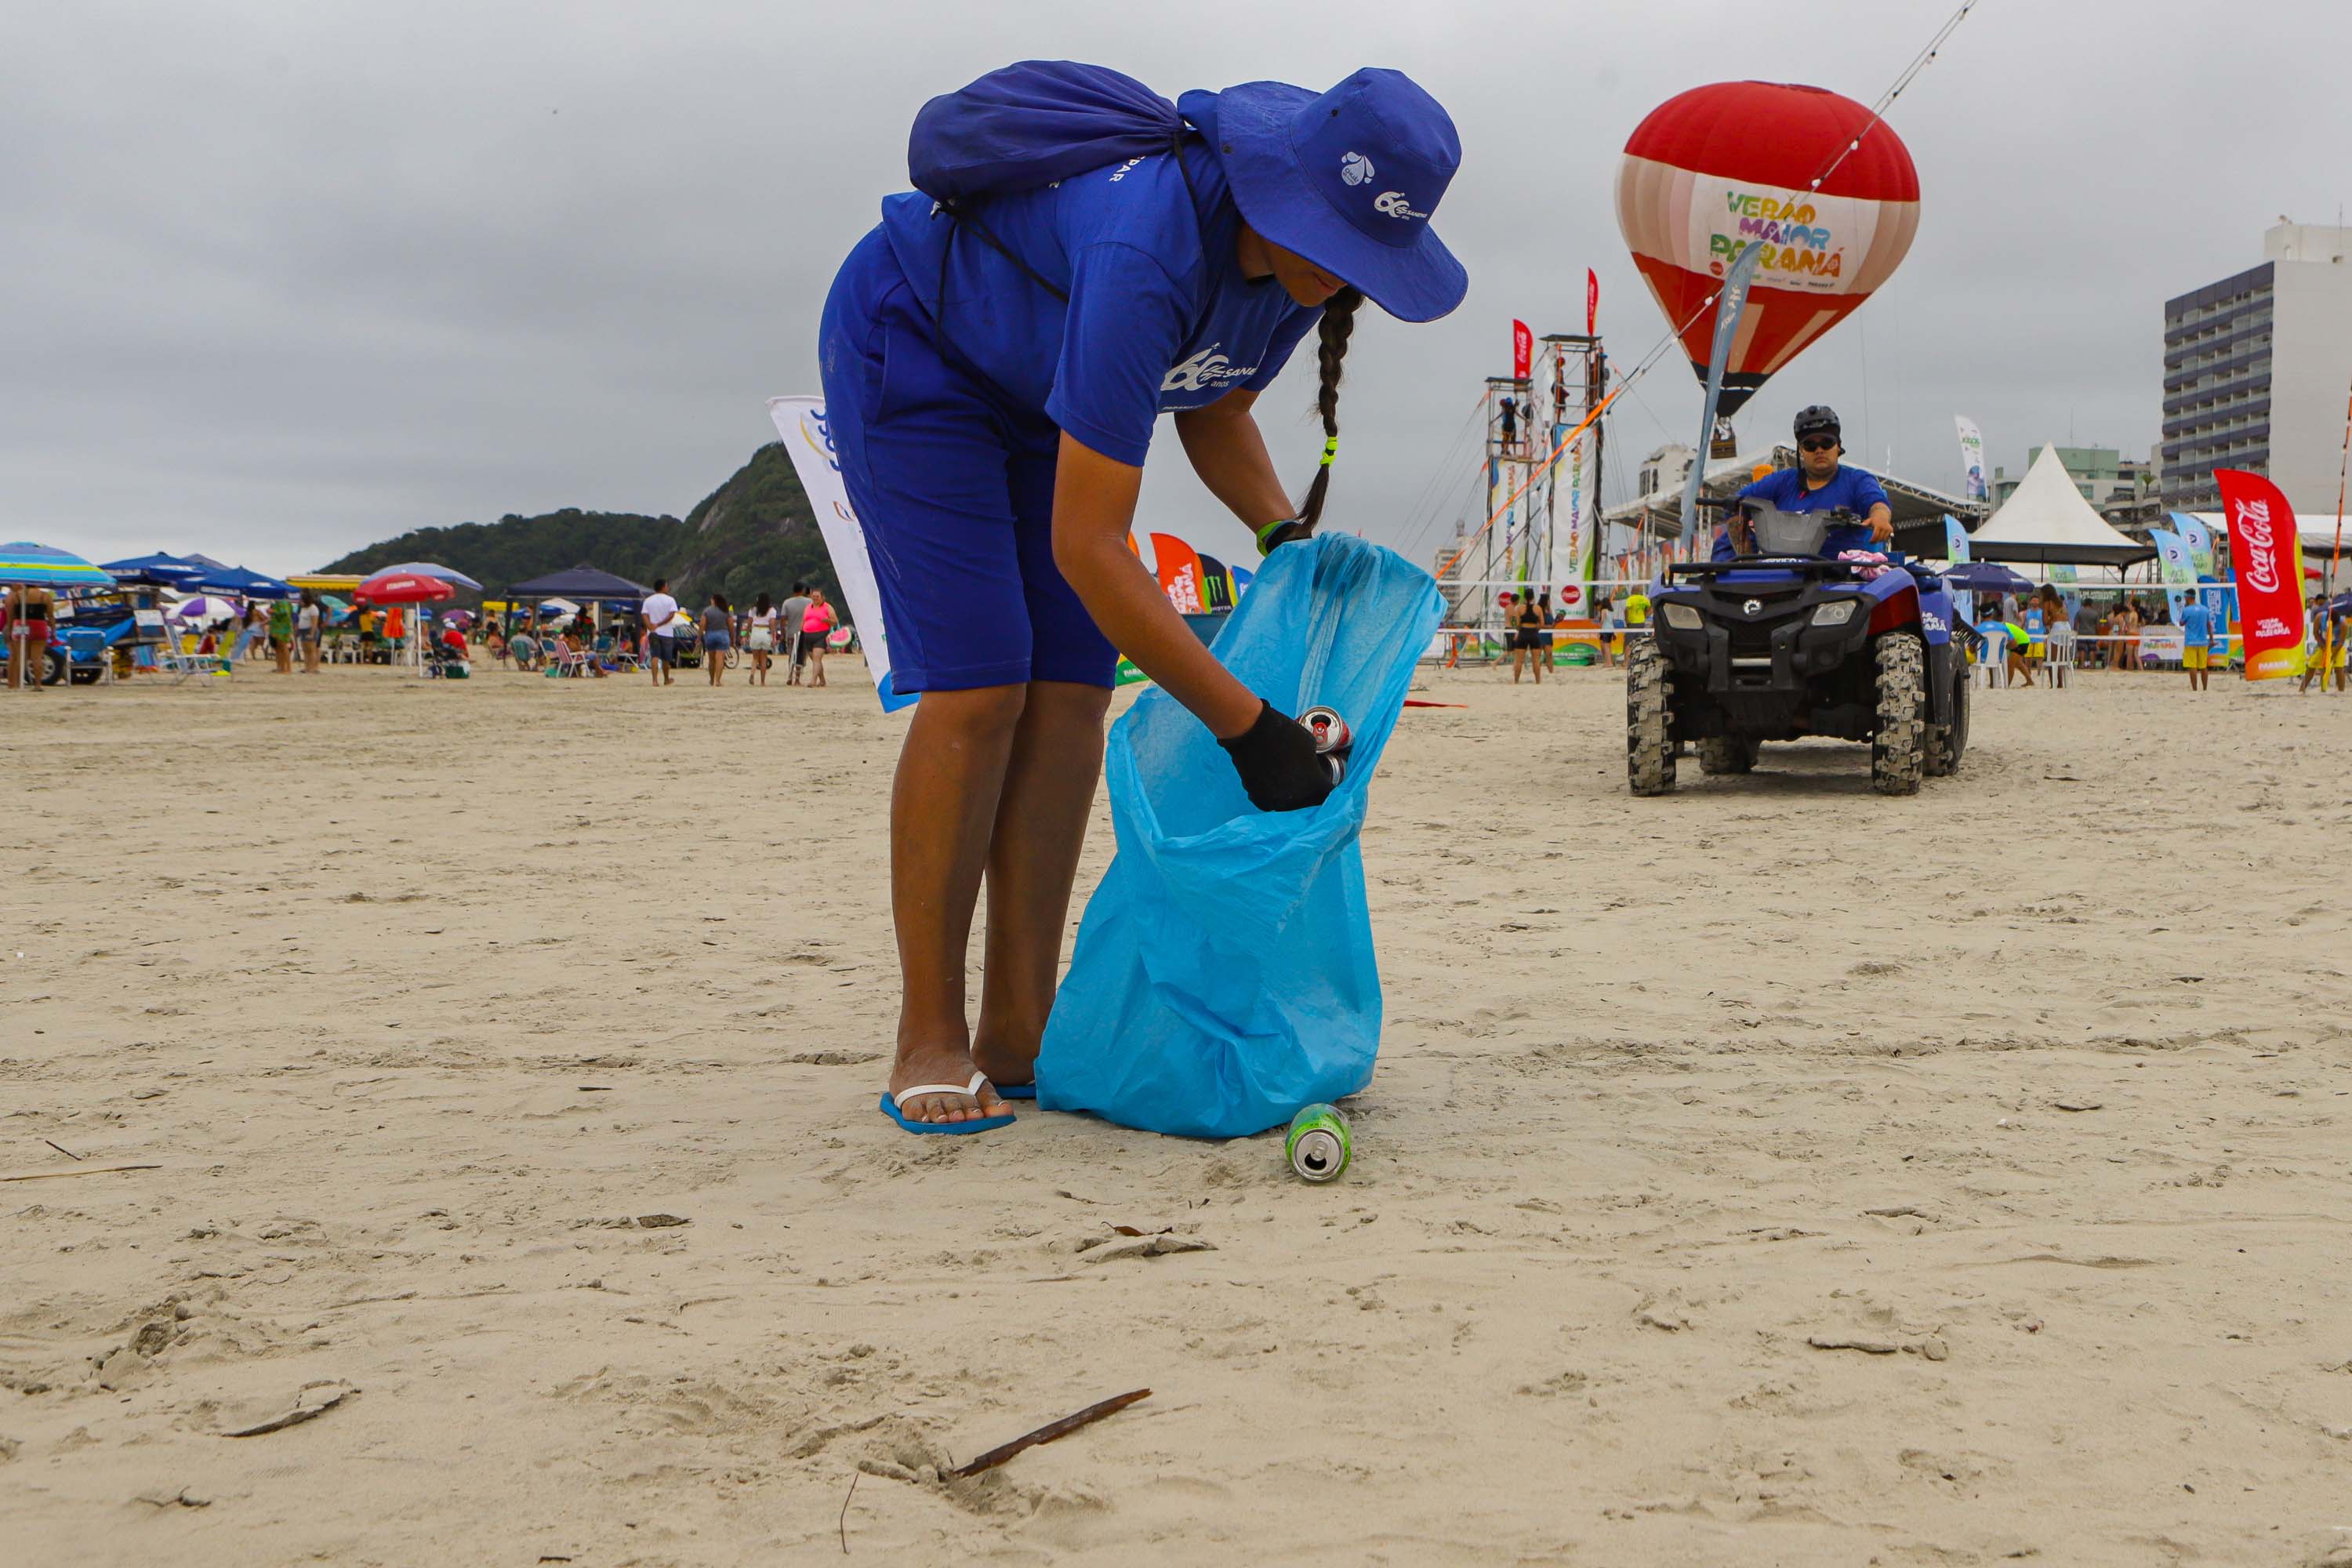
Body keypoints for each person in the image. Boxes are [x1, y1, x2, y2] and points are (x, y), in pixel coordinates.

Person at [818, 64, 1465, 1127]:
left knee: (1072, 691)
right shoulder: (1147, 246)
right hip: (920, 355)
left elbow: (1213, 405)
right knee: (984, 688)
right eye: (1342, 246)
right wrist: (1247, 728)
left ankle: (1019, 1025)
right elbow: (1092, 543)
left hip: (1040, 393)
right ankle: (928, 1031)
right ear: (1282, 197)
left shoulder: (1300, 277)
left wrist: (1283, 538)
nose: (1350, 276)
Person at [1715, 405, 1894, 561]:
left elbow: (1876, 502)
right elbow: (1735, 504)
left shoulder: (1858, 480)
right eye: (1810, 445)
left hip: (1842, 583)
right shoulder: (1782, 481)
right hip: (1787, 581)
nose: (1819, 450)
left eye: (1827, 442)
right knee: (1723, 547)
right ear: (1801, 450)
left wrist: (1880, 518)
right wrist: (1747, 562)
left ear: (1838, 446)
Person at [641, 579, 679, 685]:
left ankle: (654, 680)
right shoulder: (670, 600)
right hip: (666, 632)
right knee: (666, 657)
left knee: (655, 655)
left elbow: (644, 615)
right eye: (667, 586)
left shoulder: (648, 600)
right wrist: (659, 624)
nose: (668, 588)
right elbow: (671, 615)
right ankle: (666, 679)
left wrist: (650, 626)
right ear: (663, 587)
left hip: (653, 632)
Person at [799, 589, 836, 688]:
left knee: (816, 658)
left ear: (822, 597)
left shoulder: (827, 607)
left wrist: (827, 620)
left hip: (821, 635)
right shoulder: (808, 607)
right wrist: (800, 630)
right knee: (815, 660)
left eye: (817, 596)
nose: (815, 598)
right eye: (813, 596)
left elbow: (835, 621)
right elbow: (803, 620)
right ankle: (822, 680)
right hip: (807, 636)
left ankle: (813, 681)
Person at [2180, 591, 2213, 691]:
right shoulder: (2205, 609)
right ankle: (2205, 689)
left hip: (2190, 642)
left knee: (2192, 667)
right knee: (2203, 666)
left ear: (2187, 597)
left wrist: (2184, 612)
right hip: (2203, 641)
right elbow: (2209, 626)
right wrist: (2211, 639)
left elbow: (2181, 623)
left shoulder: (2187, 610)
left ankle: (2195, 689)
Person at [781, 581, 812, 685]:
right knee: (800, 656)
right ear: (803, 590)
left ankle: (790, 676)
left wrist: (783, 634)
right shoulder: (809, 602)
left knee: (791, 655)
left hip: (791, 633)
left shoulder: (787, 602)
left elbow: (783, 620)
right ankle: (797, 679)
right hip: (804, 632)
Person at [744, 592, 779, 684]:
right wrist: (773, 637)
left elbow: (749, 623)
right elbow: (772, 624)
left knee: (755, 658)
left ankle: (752, 674)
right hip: (766, 631)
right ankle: (762, 681)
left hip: (755, 631)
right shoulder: (772, 610)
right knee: (764, 658)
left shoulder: (753, 610)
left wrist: (747, 634)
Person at [1511, 590, 1544, 684]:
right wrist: (1535, 629)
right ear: (1533, 597)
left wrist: (1522, 627)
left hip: (1523, 633)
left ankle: (1516, 681)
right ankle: (1538, 681)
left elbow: (1517, 624)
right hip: (1534, 633)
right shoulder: (1538, 608)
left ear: (1524, 597)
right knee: (1536, 660)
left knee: (1519, 661)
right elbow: (1542, 624)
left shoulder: (1520, 608)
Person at [700, 591, 732, 686]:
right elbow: (731, 626)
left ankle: (711, 679)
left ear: (713, 600)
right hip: (723, 635)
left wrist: (699, 636)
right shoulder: (726, 611)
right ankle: (718, 681)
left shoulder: (707, 611)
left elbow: (702, 624)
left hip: (710, 635)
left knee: (711, 660)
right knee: (720, 659)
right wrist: (733, 638)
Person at [295, 591, 324, 673]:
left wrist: (311, 634)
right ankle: (306, 667)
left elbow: (314, 623)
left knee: (311, 650)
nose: (300, 602)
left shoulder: (313, 608)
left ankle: (312, 668)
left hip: (310, 630)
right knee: (305, 650)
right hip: (302, 630)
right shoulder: (303, 608)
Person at [267, 595, 294, 673]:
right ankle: (281, 667)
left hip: (283, 628)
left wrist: (273, 612)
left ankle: (288, 668)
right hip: (278, 628)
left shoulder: (284, 602)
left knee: (284, 647)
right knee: (279, 648)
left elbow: (285, 613)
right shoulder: (280, 603)